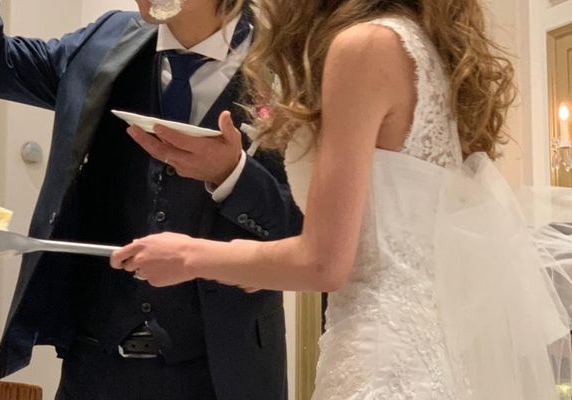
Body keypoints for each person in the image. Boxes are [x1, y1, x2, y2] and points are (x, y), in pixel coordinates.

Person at [110, 0, 572, 398]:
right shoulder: (419, 46)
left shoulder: (364, 47)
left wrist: (189, 255)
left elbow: (323, 262)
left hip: (381, 356)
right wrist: (252, 265)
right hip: (426, 351)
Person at [0, 1, 302, 399]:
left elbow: (313, 234)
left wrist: (232, 175)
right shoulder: (106, 42)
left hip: (226, 373)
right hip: (94, 367)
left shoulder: (290, 66)